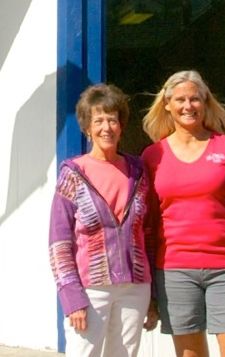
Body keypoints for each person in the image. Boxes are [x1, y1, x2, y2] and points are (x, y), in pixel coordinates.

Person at [141, 70, 225, 357]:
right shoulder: (153, 156)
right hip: (175, 269)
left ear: (206, 102)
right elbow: (148, 222)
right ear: (167, 104)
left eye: (195, 99)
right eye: (180, 100)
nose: (188, 106)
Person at [48, 83, 157, 357]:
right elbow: (59, 243)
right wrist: (71, 297)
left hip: (135, 287)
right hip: (90, 289)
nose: (106, 127)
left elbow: (149, 233)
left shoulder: (138, 171)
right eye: (99, 120)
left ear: (121, 126)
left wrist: (153, 295)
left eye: (113, 119)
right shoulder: (73, 173)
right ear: (87, 127)